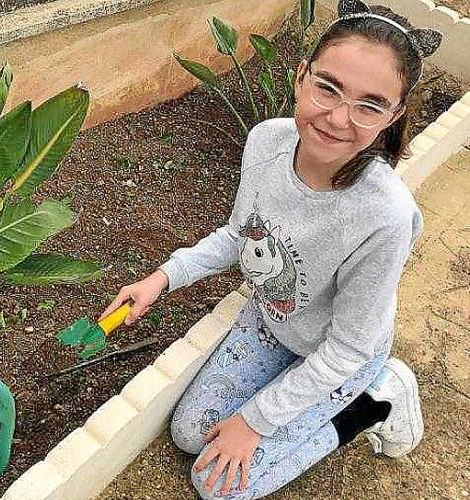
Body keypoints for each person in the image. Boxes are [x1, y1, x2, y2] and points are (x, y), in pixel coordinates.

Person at [98, 0, 442, 497]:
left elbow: (348, 347)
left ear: (394, 116)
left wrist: (253, 423)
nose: (338, 118)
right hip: (271, 323)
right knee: (190, 433)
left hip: (338, 357)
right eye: (328, 87)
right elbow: (240, 235)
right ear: (301, 77)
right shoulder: (267, 141)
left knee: (217, 486)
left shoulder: (385, 217)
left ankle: (377, 401)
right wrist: (163, 278)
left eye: (369, 105)